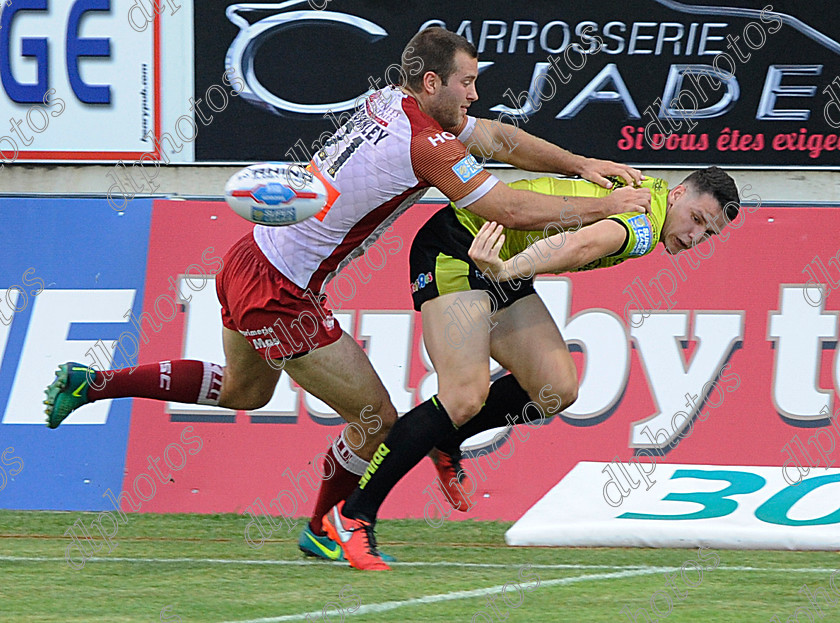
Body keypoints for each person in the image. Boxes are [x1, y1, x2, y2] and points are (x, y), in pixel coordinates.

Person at [43, 27, 649, 562]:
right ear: (432, 81)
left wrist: (579, 163)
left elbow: (497, 138)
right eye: (466, 83)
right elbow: (506, 207)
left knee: (243, 390)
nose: (474, 94)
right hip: (281, 291)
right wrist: (606, 205)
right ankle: (322, 527)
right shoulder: (425, 143)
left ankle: (90, 382)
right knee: (378, 419)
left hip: (249, 257)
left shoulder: (394, 101)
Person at [324, 167, 740, 570]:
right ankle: (353, 516)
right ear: (679, 194)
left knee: (554, 388)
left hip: (504, 259)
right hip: (462, 244)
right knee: (464, 395)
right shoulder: (646, 224)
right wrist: (506, 270)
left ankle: (446, 440)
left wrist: (509, 268)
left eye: (708, 233)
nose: (694, 236)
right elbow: (581, 245)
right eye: (697, 220)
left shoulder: (647, 191)